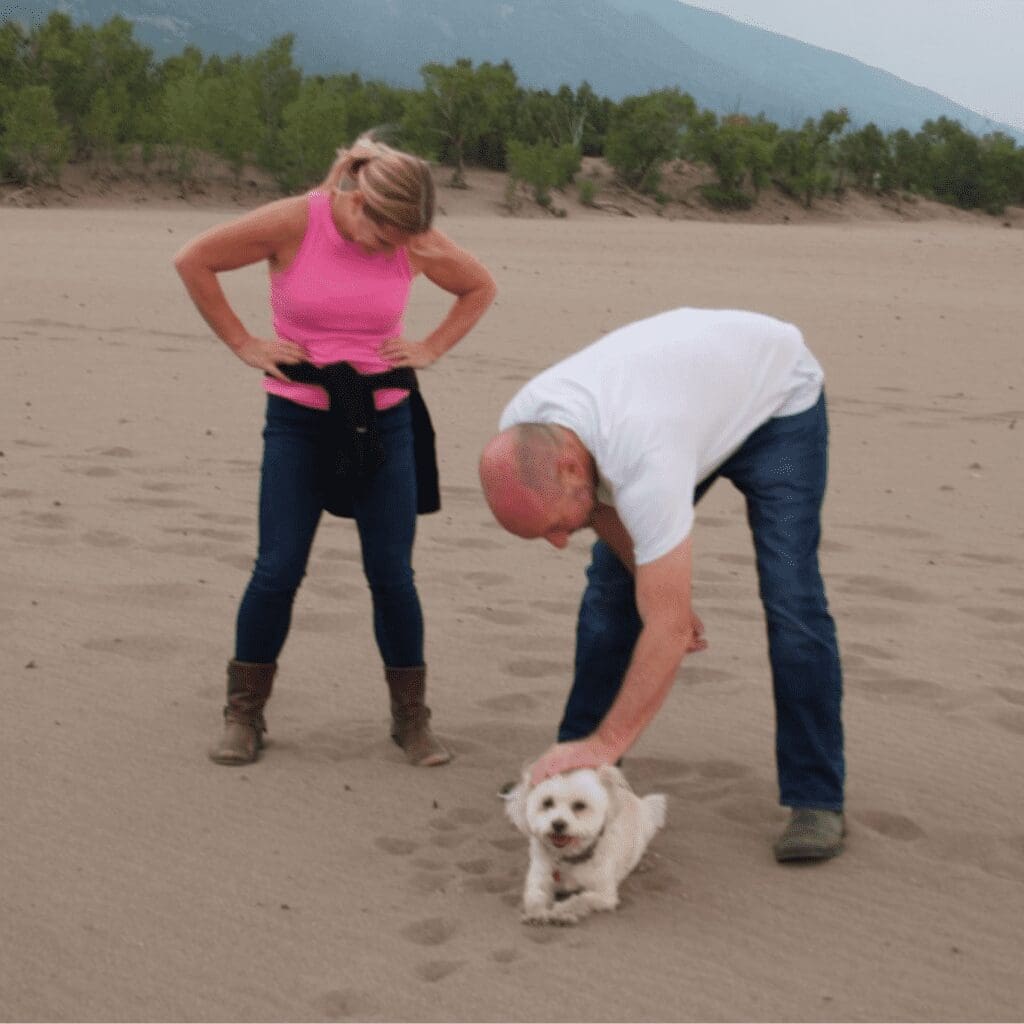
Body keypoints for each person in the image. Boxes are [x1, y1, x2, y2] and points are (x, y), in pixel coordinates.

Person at [175, 133, 496, 768]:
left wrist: (429, 348)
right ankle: (244, 715)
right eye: (387, 238)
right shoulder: (298, 220)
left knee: (392, 575)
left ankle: (411, 719)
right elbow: (194, 260)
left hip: (385, 421)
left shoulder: (414, 238)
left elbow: (479, 288)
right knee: (277, 569)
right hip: (298, 420)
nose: (395, 251)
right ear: (358, 203)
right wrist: (245, 344)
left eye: (407, 241)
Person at [479, 308, 845, 862]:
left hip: (777, 404)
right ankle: (574, 772)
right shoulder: (527, 426)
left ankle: (817, 796)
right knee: (610, 589)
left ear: (571, 470)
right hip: (691, 399)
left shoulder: (645, 455)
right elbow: (601, 513)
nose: (558, 542)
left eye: (555, 526)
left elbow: (668, 631)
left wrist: (667, 620)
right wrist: (650, 581)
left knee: (791, 598)